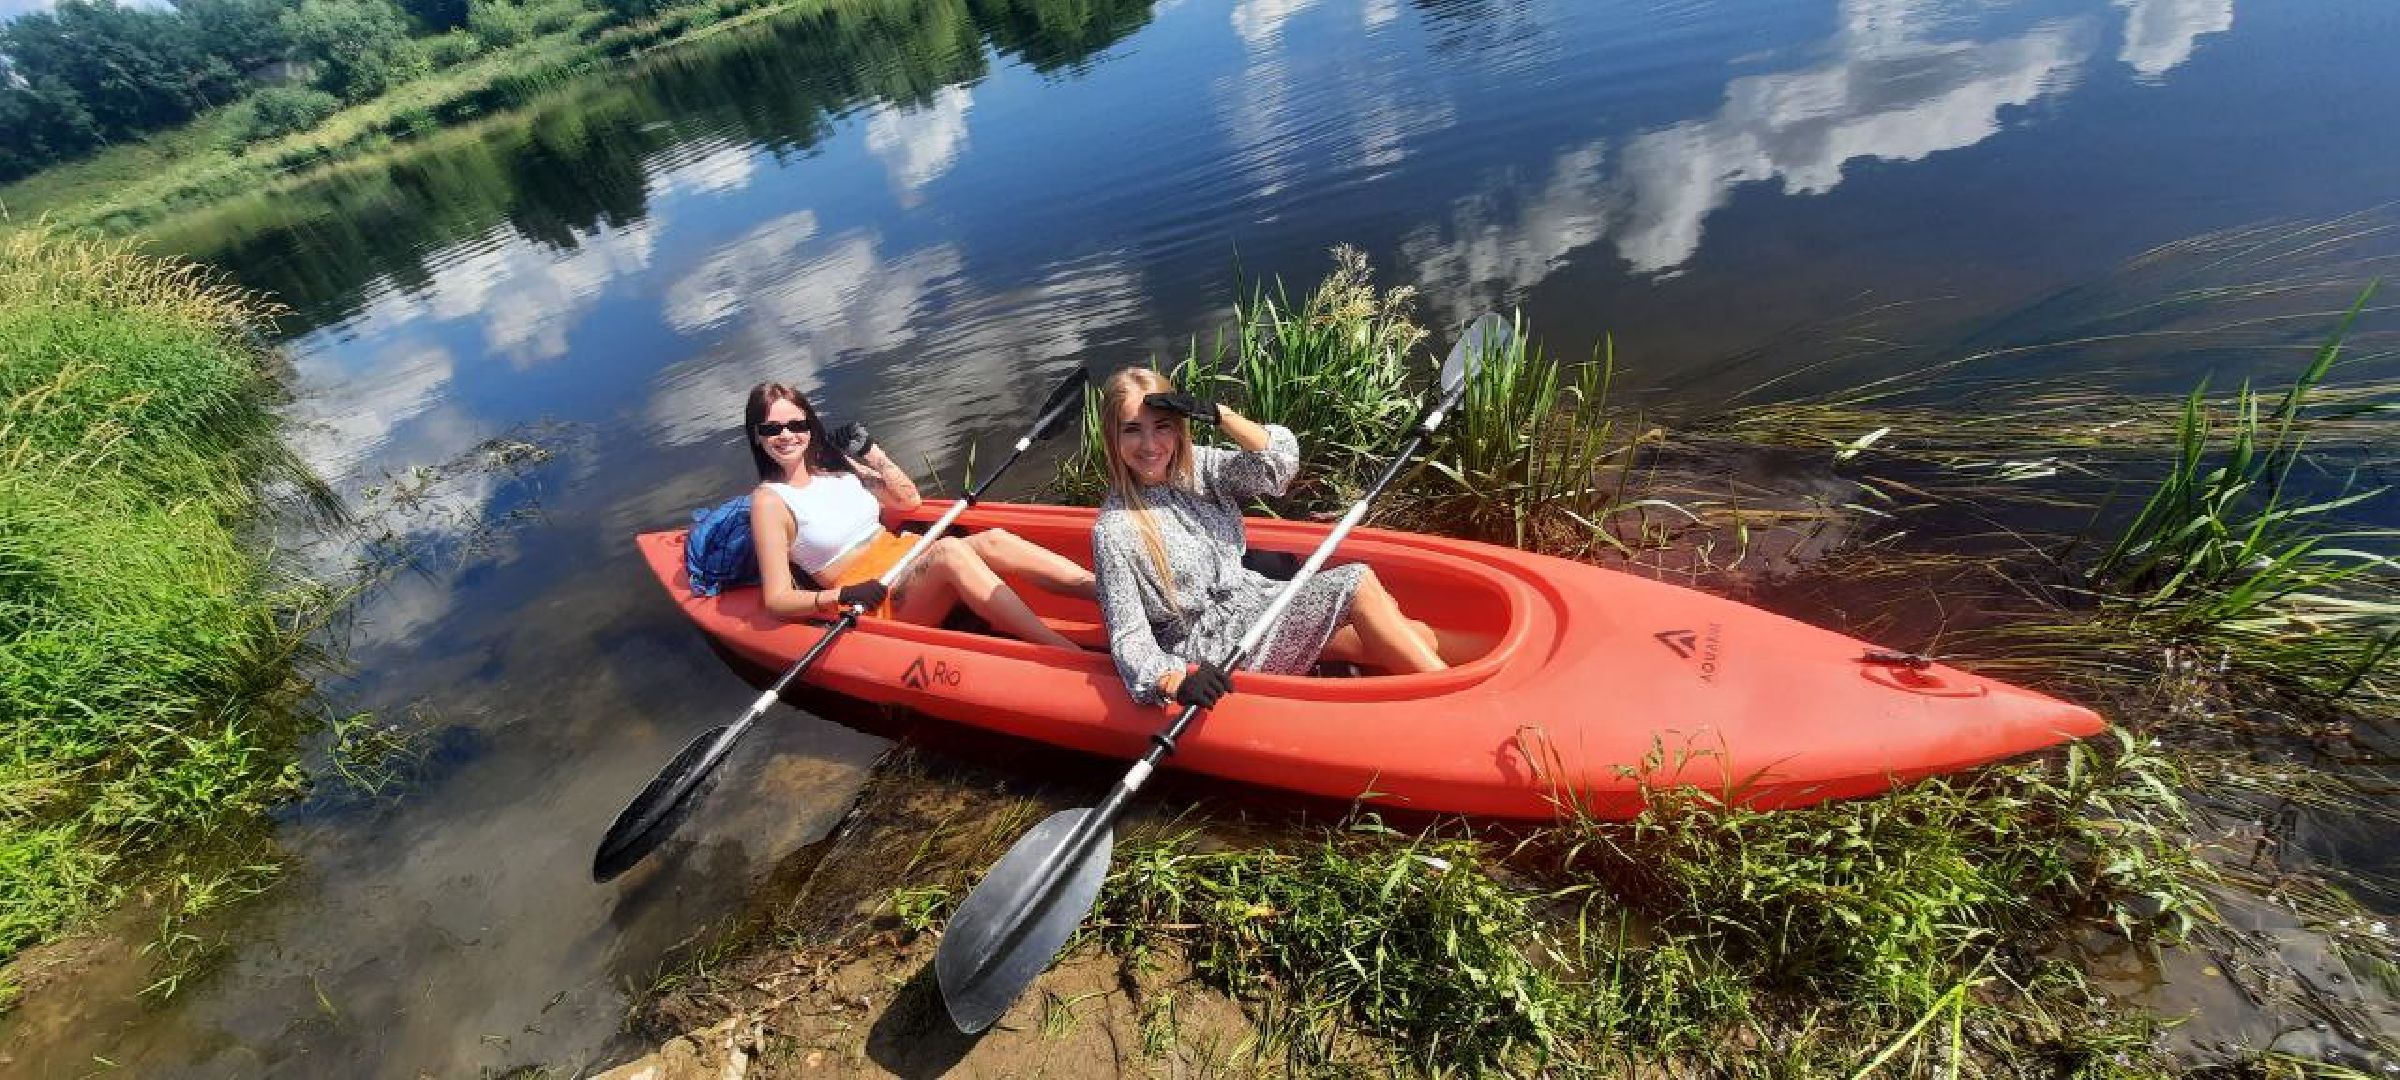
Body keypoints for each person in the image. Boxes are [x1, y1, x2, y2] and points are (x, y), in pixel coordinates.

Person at [1090, 367, 1446, 710]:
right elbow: (1128, 636)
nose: (1150, 444)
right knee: (1358, 582)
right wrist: (1173, 682)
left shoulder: (1198, 468)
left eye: (1162, 426)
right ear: (1112, 436)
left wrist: (1221, 415)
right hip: (1210, 646)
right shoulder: (1114, 529)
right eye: (1132, 429)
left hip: (1255, 601)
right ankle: (1450, 699)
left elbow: (1277, 467)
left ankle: (1450, 681)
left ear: (1179, 428)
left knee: (1413, 634)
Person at [744, 381, 1093, 649]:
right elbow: (777, 600)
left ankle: (1104, 590)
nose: (787, 435)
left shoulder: (836, 468)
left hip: (910, 561)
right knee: (948, 550)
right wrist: (842, 596)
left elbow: (908, 500)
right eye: (772, 429)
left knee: (994, 540)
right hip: (876, 599)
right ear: (758, 437)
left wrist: (870, 452)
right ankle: (1063, 651)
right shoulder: (770, 501)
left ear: (810, 426)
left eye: (796, 424)